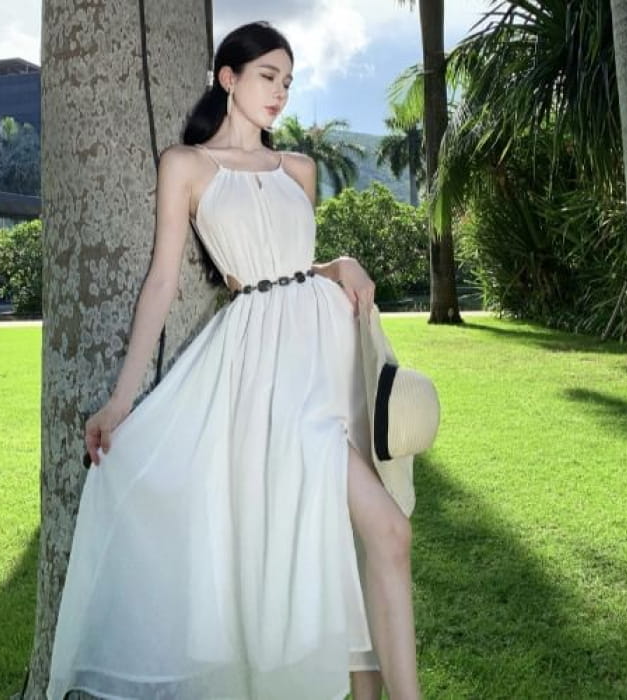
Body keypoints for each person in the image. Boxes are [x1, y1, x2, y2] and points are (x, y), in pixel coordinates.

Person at [46, 20, 420, 700]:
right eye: (267, 76)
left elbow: (297, 264)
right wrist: (120, 401)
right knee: (383, 532)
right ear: (228, 77)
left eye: (288, 82)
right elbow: (163, 281)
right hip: (265, 377)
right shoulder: (187, 165)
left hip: (327, 361)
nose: (280, 92)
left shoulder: (298, 168)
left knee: (355, 539)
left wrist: (341, 261)